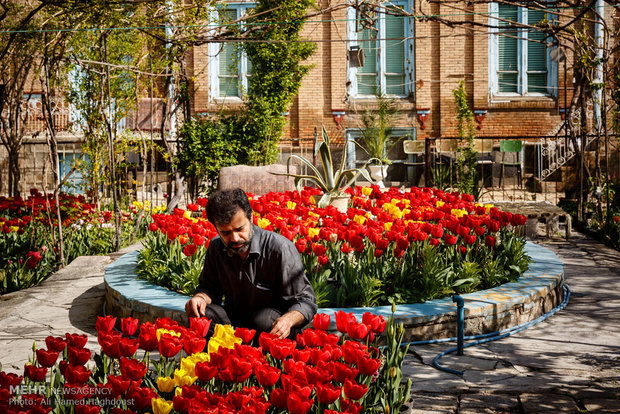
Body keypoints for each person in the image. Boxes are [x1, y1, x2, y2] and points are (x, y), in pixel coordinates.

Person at [185, 188, 317, 339]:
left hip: (273, 326)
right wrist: (200, 298)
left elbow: (306, 301)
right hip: (234, 321)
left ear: (251, 218)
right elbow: (209, 288)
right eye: (225, 233)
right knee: (201, 315)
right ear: (216, 228)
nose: (234, 238)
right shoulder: (216, 248)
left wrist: (288, 320)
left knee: (262, 319)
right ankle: (213, 361)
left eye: (240, 229)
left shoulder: (279, 249)